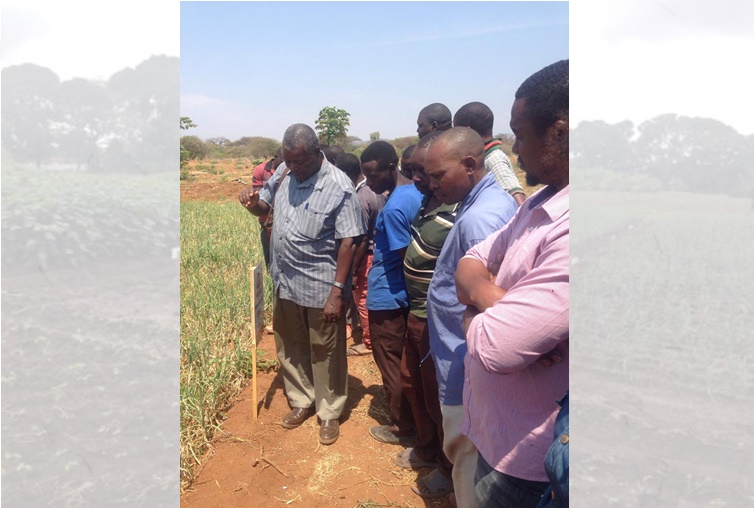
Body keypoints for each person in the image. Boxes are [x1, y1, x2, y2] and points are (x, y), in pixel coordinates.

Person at [455, 59, 569, 507]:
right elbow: (472, 261)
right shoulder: (538, 203)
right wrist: (494, 297)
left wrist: (471, 305)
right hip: (498, 433)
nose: (515, 152)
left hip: (529, 463)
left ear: (559, 132)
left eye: (520, 135)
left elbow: (496, 348)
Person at [238, 123, 365, 446]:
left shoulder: (339, 187)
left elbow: (349, 241)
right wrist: (253, 204)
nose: (293, 167)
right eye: (289, 161)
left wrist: (338, 292)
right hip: (285, 280)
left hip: (320, 285)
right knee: (290, 344)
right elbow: (264, 209)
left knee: (326, 349)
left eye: (299, 162)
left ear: (316, 152)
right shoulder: (283, 173)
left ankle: (329, 411)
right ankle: (302, 400)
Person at [425, 127, 517, 508]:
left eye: (437, 175)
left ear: (468, 164)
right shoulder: (484, 204)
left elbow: (493, 304)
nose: (431, 186)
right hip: (460, 357)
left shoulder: (481, 218)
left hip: (467, 365)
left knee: (468, 458)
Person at [396, 131, 457, 500]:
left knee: (438, 397)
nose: (419, 180)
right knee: (412, 383)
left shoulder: (457, 209)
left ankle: (448, 470)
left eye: (425, 172)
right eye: (415, 172)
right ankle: (429, 450)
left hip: (436, 320)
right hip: (417, 311)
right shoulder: (428, 202)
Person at [361, 140, 423, 445]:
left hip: (389, 295)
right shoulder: (415, 193)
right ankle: (416, 424)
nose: (369, 184)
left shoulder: (396, 205)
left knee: (391, 363)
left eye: (373, 177)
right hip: (406, 297)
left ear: (391, 168)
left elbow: (403, 259)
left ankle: (403, 427)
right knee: (406, 362)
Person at [334, 152, 387, 355]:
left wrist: (354, 270)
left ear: (346, 174)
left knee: (363, 299)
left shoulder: (361, 196)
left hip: (366, 255)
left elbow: (361, 238)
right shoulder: (373, 191)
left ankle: (368, 342)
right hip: (376, 252)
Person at [453, 102, 526, 206]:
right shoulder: (482, 157)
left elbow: (518, 201)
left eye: (457, 131)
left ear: (468, 131)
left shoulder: (494, 159)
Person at [246, 147, 284, 269]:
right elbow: (260, 198)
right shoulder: (260, 170)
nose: (286, 165)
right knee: (269, 256)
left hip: (285, 220)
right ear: (276, 157)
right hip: (267, 220)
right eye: (284, 161)